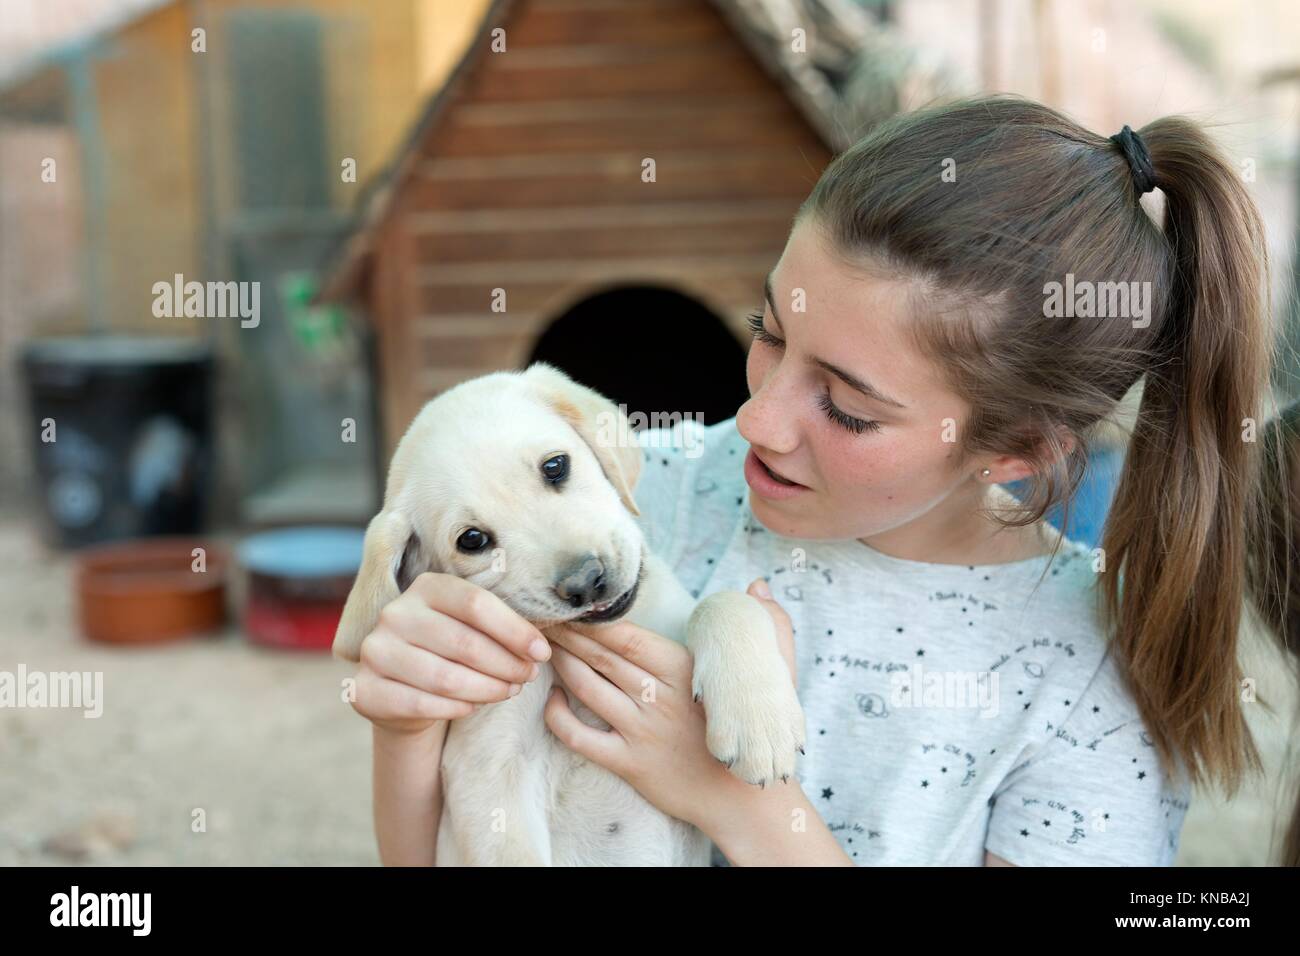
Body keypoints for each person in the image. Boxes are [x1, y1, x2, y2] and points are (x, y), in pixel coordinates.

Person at [348, 94, 1283, 865]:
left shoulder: (1082, 684)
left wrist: (749, 812)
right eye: (770, 332)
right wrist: (406, 725)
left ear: (1019, 452)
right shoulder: (632, 504)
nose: (755, 419)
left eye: (847, 407)